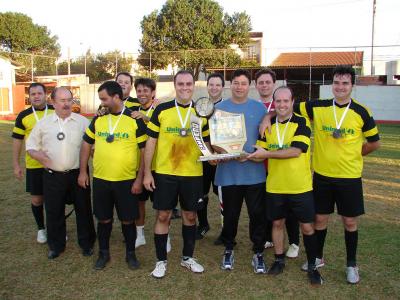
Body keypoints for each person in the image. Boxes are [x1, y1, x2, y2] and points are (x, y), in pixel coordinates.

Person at [260, 66, 381, 283]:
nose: (340, 87)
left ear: (352, 85)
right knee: (319, 219)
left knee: (350, 222)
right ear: (331, 85)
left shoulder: (362, 111)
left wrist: (355, 154)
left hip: (350, 176)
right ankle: (317, 258)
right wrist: (266, 118)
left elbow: (374, 143)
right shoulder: (318, 107)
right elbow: (285, 106)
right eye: (336, 82)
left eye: (345, 83)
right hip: (322, 176)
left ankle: (351, 264)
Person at [248, 86, 323, 285]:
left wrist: (265, 154)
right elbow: (260, 150)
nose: (282, 105)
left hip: (300, 186)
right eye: (278, 101)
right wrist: (244, 155)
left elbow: (296, 151)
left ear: (292, 102)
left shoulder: (302, 121)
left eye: (285, 101)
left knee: (307, 227)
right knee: (277, 223)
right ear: (274, 103)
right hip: (275, 186)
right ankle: (279, 260)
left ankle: (313, 265)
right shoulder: (268, 123)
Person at [143, 70, 210, 279]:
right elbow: (150, 142)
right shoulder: (162, 109)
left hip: (192, 174)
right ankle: (161, 261)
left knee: (190, 216)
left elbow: (206, 143)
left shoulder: (201, 112)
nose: (184, 87)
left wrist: (213, 155)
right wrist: (147, 173)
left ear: (193, 85)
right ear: (175, 85)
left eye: (188, 84)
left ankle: (187, 258)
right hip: (165, 173)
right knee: (163, 215)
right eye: (180, 84)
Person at [78, 81, 147, 270]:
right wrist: (83, 171)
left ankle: (131, 254)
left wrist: (140, 178)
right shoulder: (99, 118)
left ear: (117, 97)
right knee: (103, 219)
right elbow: (86, 144)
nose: (101, 102)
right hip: (101, 179)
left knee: (127, 219)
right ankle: (103, 253)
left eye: (104, 99)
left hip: (126, 181)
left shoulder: (134, 118)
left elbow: (144, 151)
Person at [26, 87, 96, 259]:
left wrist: (85, 170)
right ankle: (56, 246)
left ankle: (86, 244)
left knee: (84, 209)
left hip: (78, 174)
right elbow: (30, 147)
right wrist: (39, 156)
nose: (66, 104)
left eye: (69, 100)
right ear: (53, 102)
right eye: (62, 100)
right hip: (52, 175)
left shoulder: (83, 122)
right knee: (54, 211)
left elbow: (93, 147)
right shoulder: (43, 124)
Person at [214, 69, 268, 274]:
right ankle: (229, 247)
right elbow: (215, 142)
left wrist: (254, 153)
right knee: (230, 214)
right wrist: (231, 152)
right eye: (236, 83)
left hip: (254, 173)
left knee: (257, 214)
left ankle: (259, 250)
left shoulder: (259, 107)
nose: (239, 87)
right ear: (230, 85)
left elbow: (266, 137)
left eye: (243, 83)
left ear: (249, 86)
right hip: (229, 173)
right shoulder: (219, 108)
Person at [255, 68, 300, 257]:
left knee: (289, 207)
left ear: (273, 84)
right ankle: (268, 238)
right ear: (256, 85)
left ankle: (295, 242)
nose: (264, 85)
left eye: (267, 82)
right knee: (270, 205)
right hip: (262, 165)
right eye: (261, 82)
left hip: (282, 164)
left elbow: (285, 113)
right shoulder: (255, 105)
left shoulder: (282, 103)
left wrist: (268, 115)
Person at [12, 83, 54, 244]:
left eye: (39, 93)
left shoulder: (54, 111)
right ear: (29, 96)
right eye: (33, 94)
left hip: (53, 164)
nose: (36, 96)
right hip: (34, 165)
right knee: (37, 200)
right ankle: (41, 229)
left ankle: (55, 229)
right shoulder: (23, 115)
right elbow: (17, 141)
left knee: (54, 199)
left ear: (46, 95)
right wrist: (16, 165)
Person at [196, 72, 224, 241]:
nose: (214, 88)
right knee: (201, 193)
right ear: (207, 86)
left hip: (221, 158)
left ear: (222, 87)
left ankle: (225, 229)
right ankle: (203, 224)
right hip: (203, 157)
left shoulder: (227, 106)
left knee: (222, 194)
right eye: (211, 84)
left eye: (217, 85)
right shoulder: (199, 106)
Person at [130, 77, 156, 248]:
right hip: (138, 165)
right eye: (139, 90)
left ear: (153, 93)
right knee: (139, 202)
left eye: (146, 90)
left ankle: (165, 236)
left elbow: (158, 129)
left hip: (158, 166)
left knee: (162, 205)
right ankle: (140, 234)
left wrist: (145, 117)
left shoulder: (160, 110)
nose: (142, 94)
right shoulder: (131, 111)